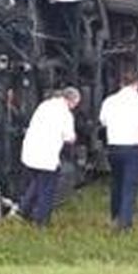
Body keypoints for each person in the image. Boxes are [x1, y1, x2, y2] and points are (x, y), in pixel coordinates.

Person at [99, 66, 138, 230]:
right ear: (137, 83)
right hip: (133, 148)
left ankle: (115, 216)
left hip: (114, 147)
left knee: (116, 183)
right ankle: (125, 223)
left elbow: (103, 122)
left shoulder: (109, 101)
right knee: (130, 186)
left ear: (121, 83)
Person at [18, 87, 80, 226]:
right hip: (47, 156)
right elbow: (69, 137)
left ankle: (24, 210)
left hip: (30, 152)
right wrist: (74, 137)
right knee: (47, 188)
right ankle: (41, 220)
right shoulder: (65, 114)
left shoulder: (44, 105)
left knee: (37, 182)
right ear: (71, 101)